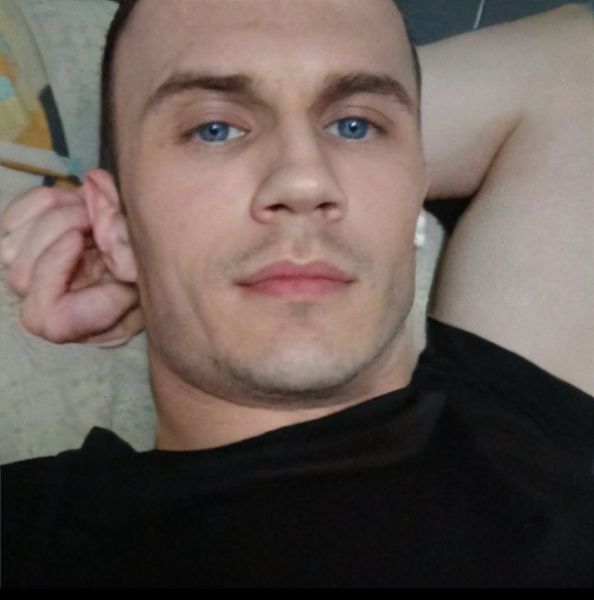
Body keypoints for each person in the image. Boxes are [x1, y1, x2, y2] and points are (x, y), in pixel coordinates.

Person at [1, 0, 593, 588]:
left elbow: (574, 64)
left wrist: (158, 240)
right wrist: (151, 245)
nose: (306, 180)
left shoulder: (522, 424)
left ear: (416, 186)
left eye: (355, 126)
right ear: (115, 224)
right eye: (213, 129)